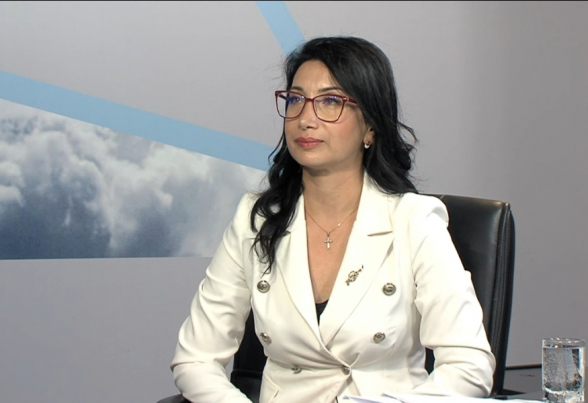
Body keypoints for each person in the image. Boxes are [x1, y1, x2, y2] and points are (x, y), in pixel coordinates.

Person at [171, 36, 495, 403]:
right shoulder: (256, 218)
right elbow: (195, 359)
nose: (305, 119)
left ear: (370, 127)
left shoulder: (413, 220)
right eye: (296, 100)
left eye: (330, 102)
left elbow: (469, 367)